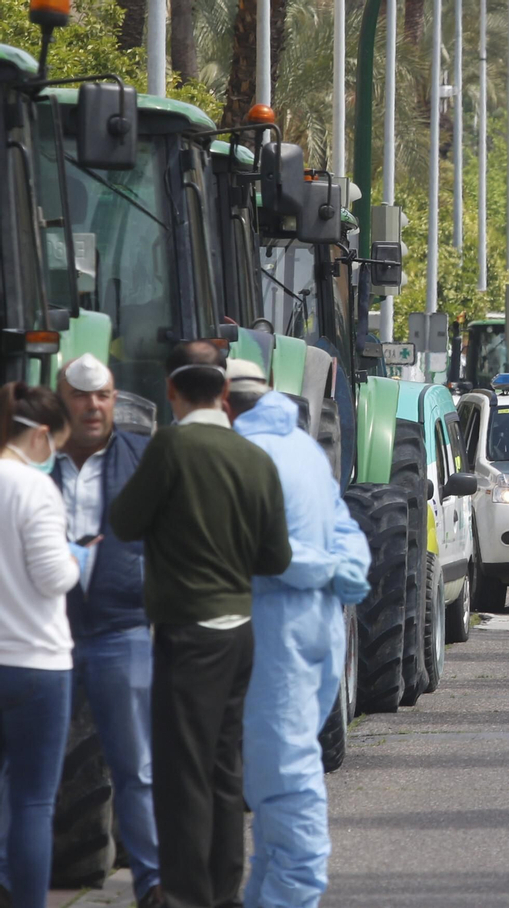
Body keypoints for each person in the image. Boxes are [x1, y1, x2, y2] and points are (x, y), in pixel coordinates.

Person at [109, 342, 293, 908]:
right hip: (240, 632)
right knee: (221, 767)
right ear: (225, 397)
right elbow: (276, 558)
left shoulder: (170, 447)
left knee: (180, 770)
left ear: (171, 392)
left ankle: (186, 896)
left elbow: (123, 520)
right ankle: (222, 890)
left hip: (187, 630)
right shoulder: (255, 459)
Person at [224, 361, 370, 908]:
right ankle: (271, 893)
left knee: (284, 779)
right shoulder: (306, 448)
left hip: (272, 625)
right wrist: (345, 570)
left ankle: (290, 897)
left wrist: (323, 570)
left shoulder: (242, 454)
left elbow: (263, 549)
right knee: (281, 774)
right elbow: (342, 526)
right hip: (320, 624)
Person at [51, 355, 162, 906]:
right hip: (48, 636)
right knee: (21, 769)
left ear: (115, 399)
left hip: (122, 633)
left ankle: (153, 883)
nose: (93, 406)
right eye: (81, 395)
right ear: (60, 399)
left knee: (135, 768)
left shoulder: (145, 459)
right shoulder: (35, 465)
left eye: (104, 396)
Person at [0, 383, 81, 908]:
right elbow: (54, 577)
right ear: (43, 436)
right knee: (32, 802)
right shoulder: (34, 490)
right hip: (35, 663)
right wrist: (79, 559)